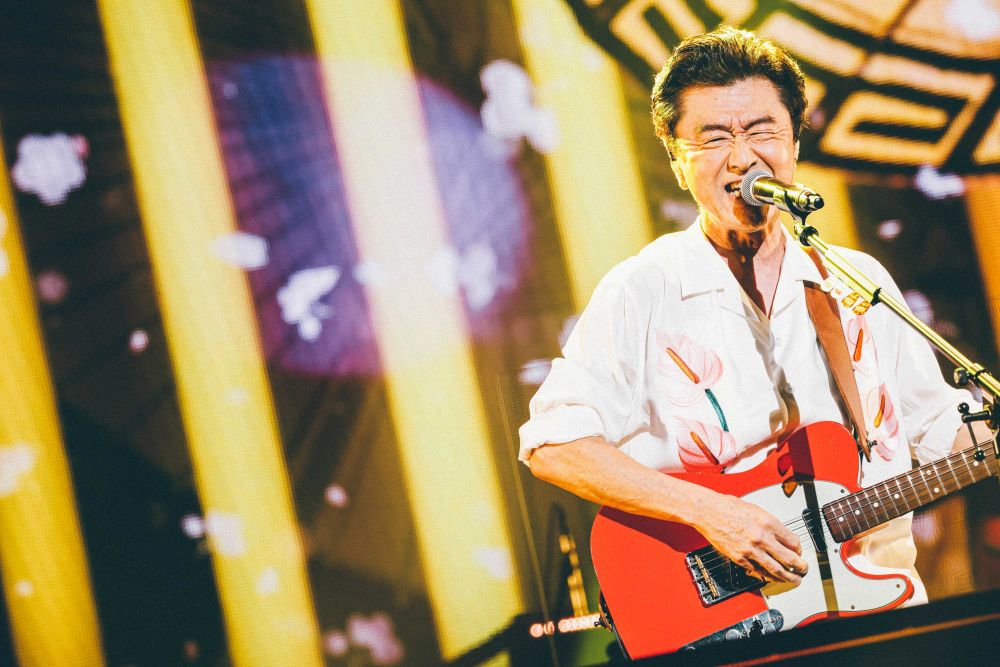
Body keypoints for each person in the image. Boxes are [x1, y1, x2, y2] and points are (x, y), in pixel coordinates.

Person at [518, 26, 989, 599]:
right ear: (677, 161)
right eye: (714, 138)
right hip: (731, 619)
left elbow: (936, 428)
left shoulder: (855, 281)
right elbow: (554, 444)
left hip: (880, 608)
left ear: (794, 145)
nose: (743, 158)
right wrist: (709, 512)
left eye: (763, 131)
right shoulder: (644, 289)